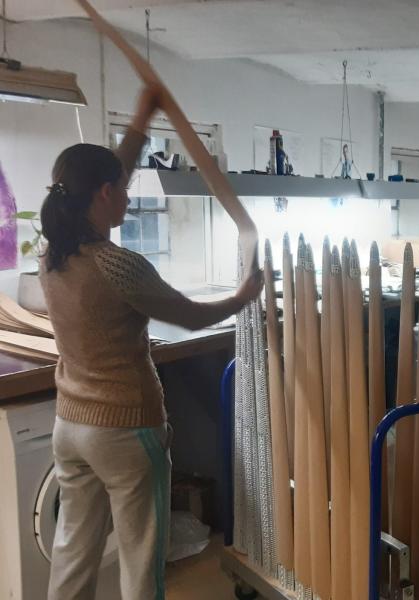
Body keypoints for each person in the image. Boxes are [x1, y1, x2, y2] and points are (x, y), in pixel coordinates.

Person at [40, 86, 263, 599]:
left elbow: (103, 173)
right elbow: (187, 317)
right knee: (142, 560)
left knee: (73, 553)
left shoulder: (53, 255)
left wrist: (140, 120)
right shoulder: (119, 266)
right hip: (124, 430)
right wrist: (242, 297)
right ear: (103, 194)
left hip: (69, 427)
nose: (127, 192)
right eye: (121, 187)